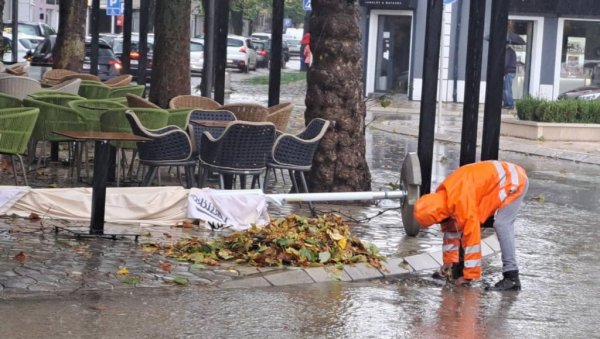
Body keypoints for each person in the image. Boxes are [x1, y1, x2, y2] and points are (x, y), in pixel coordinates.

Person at [413, 160, 529, 291]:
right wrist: (449, 262)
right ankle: (457, 268)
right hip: (504, 176)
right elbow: (451, 228)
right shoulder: (444, 197)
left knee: (502, 224)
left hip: (514, 180)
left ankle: (512, 277)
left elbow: (472, 239)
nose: (438, 223)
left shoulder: (462, 200)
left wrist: (469, 277)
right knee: (469, 225)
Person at [503, 44, 517, 109]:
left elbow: (506, 62)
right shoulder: (513, 51)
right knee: (507, 88)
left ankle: (510, 104)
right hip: (512, 72)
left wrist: (502, 71)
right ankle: (506, 103)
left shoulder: (508, 51)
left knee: (507, 89)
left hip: (508, 72)